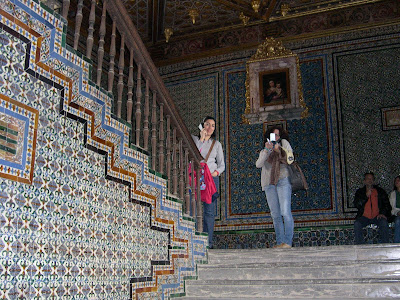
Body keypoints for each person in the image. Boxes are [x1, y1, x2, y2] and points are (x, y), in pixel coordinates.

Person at [256, 126, 294, 248]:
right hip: (269, 183)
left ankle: (287, 242)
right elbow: (258, 164)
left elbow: (290, 159)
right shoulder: (265, 149)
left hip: (282, 179)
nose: (276, 138)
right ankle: (280, 242)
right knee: (276, 215)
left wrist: (279, 150)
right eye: (273, 135)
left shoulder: (284, 143)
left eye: (278, 135)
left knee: (285, 212)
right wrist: (267, 150)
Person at [192, 116, 225, 249]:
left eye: (212, 125)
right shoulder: (195, 140)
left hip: (211, 179)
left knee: (209, 212)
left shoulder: (216, 144)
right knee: (193, 207)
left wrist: (214, 173)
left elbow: (222, 165)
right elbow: (194, 154)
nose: (209, 127)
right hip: (197, 177)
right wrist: (201, 140)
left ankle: (208, 243)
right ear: (202, 125)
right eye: (207, 124)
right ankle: (193, 239)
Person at [353, 172, 392, 244]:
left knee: (384, 223)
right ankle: (360, 246)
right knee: (357, 224)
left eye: (371, 179)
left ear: (373, 181)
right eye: (368, 179)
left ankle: (385, 245)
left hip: (377, 216)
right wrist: (366, 196)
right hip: (364, 217)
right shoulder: (360, 192)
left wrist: (382, 213)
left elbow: (387, 205)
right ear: (364, 181)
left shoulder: (380, 191)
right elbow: (357, 204)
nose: (370, 180)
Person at [389, 175, 400, 243]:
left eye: (398, 180)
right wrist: (397, 212)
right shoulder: (393, 194)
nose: (396, 182)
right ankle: (397, 243)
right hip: (396, 214)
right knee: (398, 221)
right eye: (395, 181)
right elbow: (391, 208)